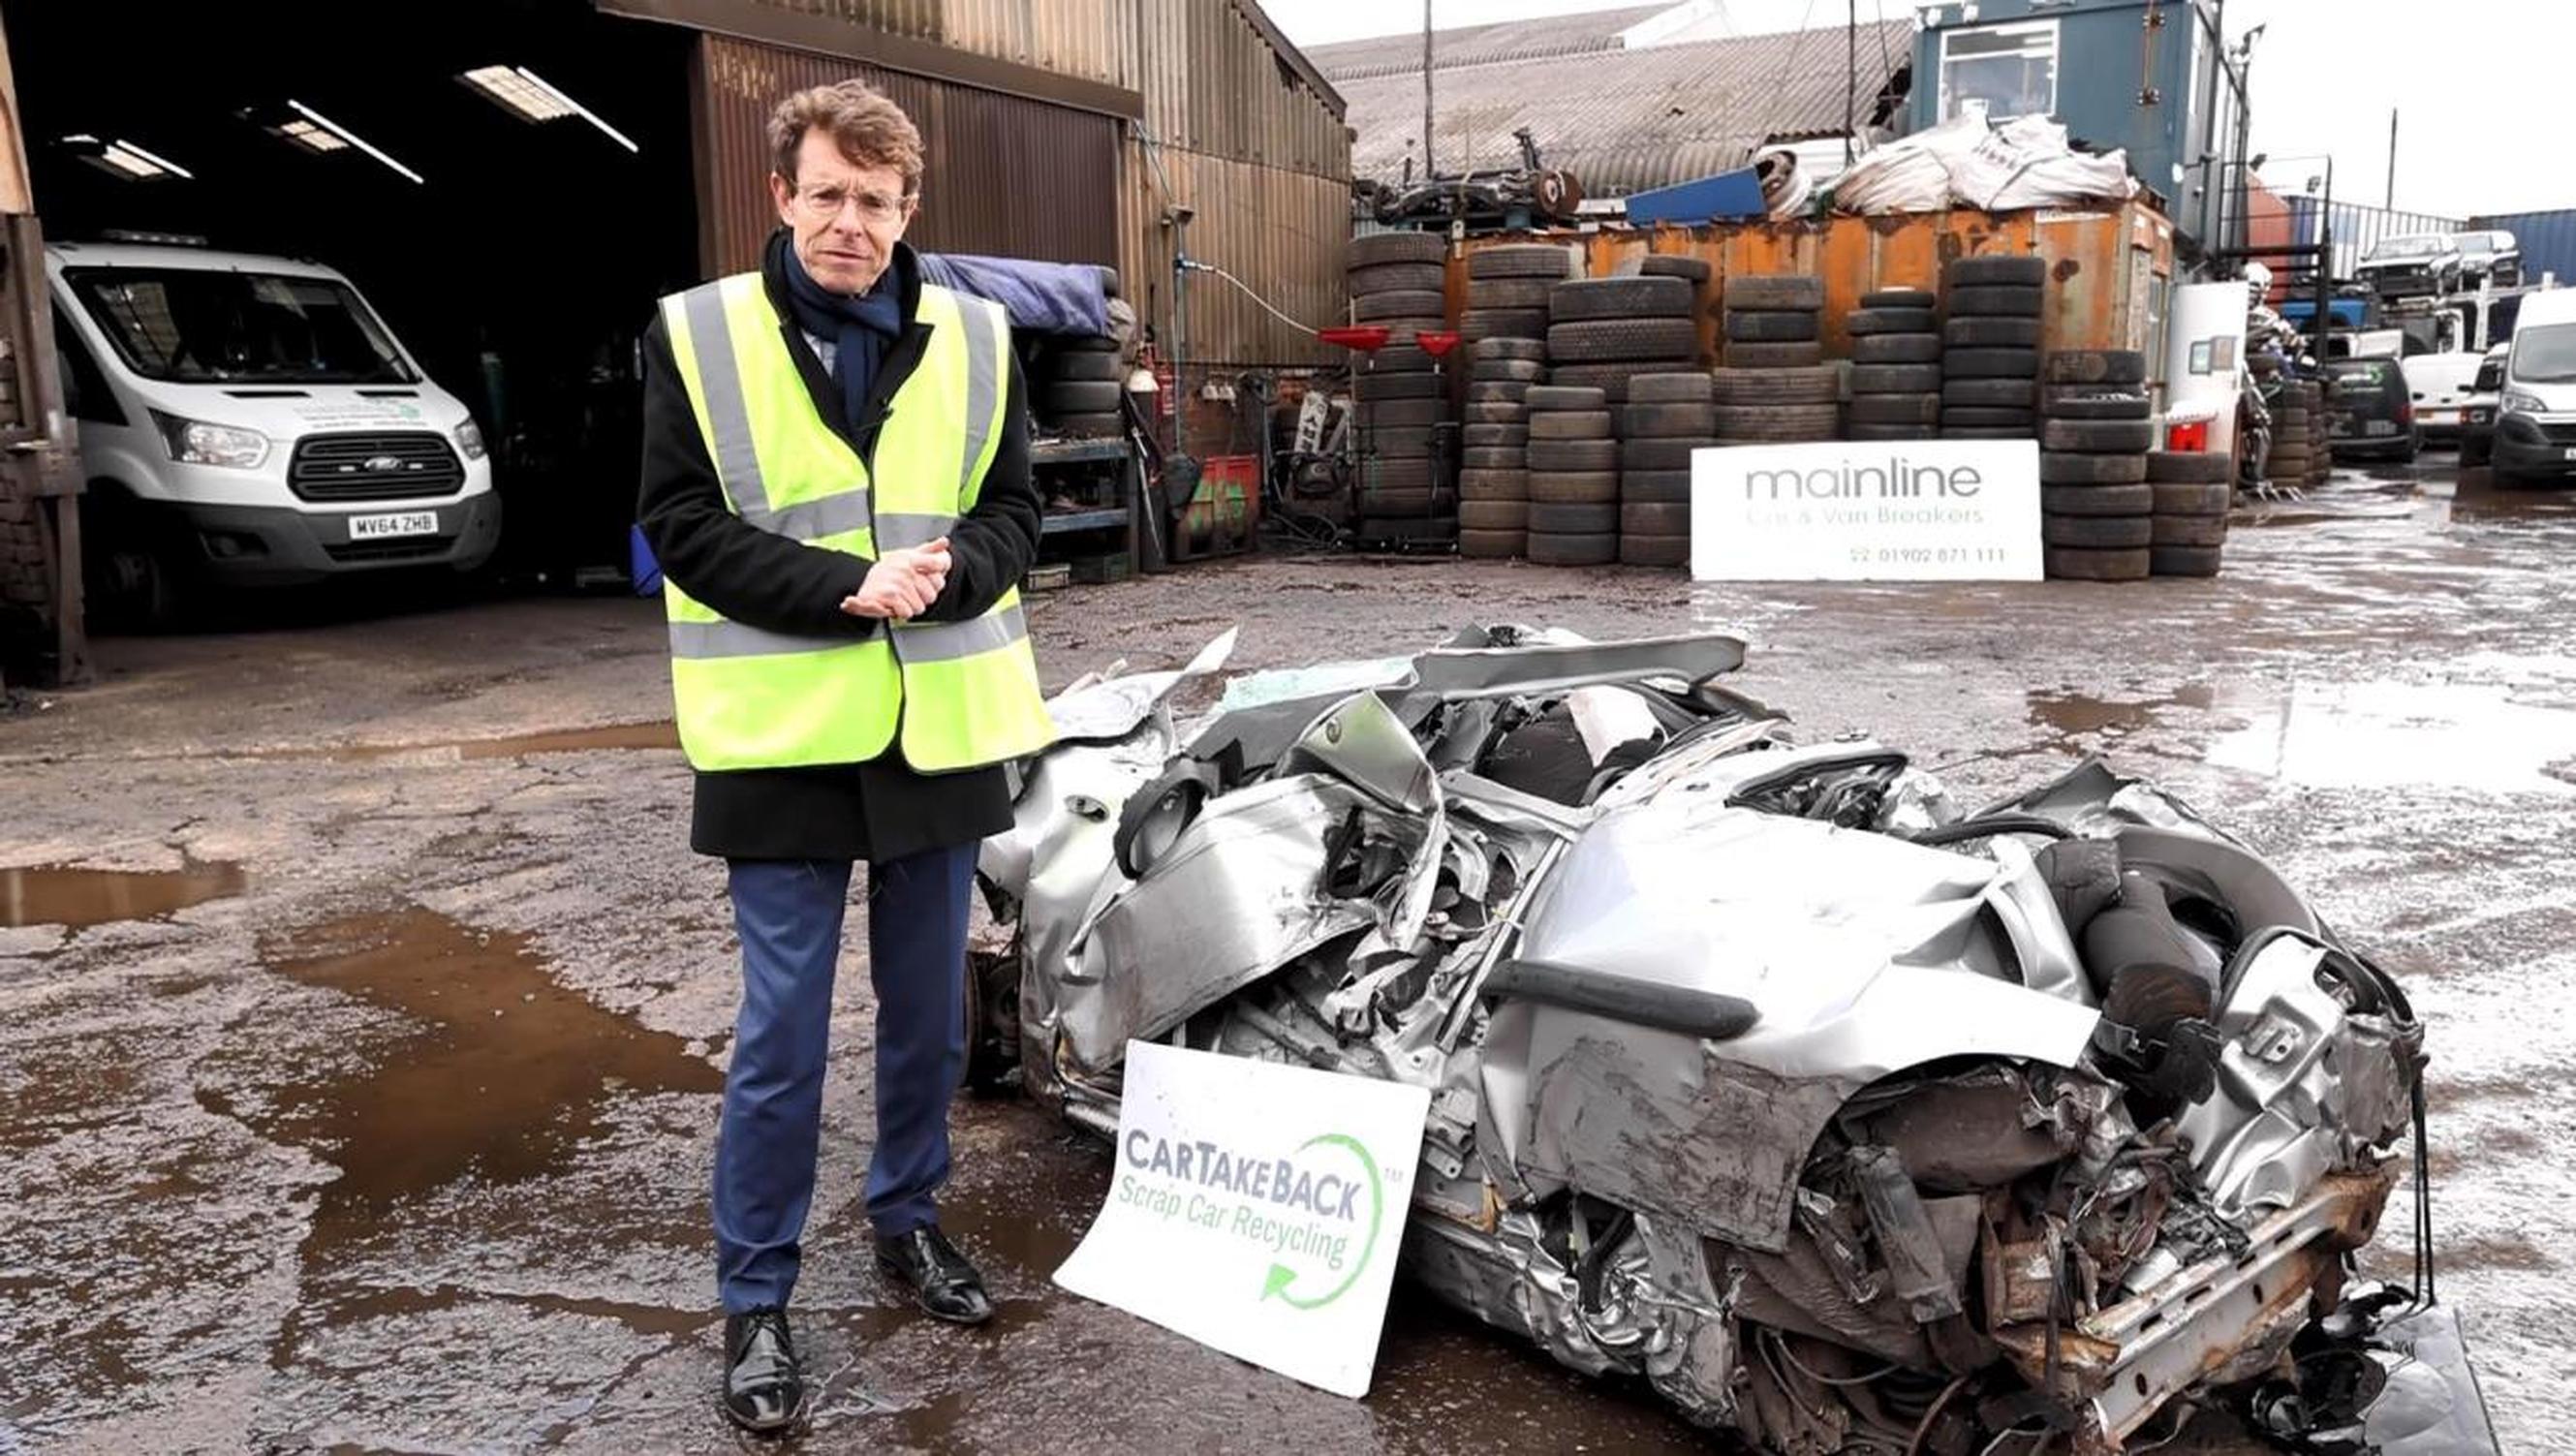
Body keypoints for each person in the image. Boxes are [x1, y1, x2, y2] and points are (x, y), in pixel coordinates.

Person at [636, 78, 1053, 1435]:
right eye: (827, 195)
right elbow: (679, 524)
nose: (850, 225)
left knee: (930, 1016)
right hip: (785, 740)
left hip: (938, 733)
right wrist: (841, 588)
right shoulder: (697, 338)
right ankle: (756, 1297)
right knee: (781, 1035)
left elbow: (1015, 508)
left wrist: (953, 576)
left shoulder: (982, 337)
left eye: (876, 203)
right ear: (783, 195)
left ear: (907, 209)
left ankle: (907, 1220)